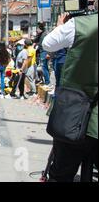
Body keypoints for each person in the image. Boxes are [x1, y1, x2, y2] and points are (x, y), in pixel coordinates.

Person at [42, 11, 97, 182]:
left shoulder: (81, 25)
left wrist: (60, 26)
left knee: (61, 174)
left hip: (73, 116)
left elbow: (48, 44)